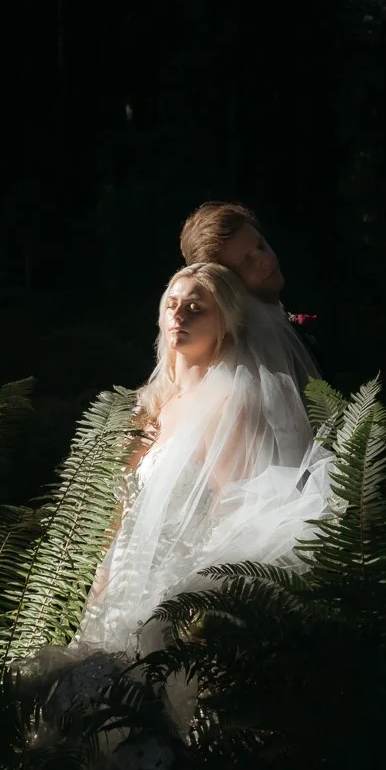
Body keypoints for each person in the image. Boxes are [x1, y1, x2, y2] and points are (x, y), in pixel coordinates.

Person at [72, 261, 333, 656]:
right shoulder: (152, 404)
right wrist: (101, 580)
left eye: (196, 308)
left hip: (174, 591)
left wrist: (197, 597)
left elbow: (238, 508)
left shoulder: (228, 402)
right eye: (172, 304)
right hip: (123, 582)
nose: (179, 315)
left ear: (225, 323)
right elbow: (125, 509)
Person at [178, 201, 320, 391]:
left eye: (261, 246)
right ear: (224, 284)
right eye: (247, 262)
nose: (266, 260)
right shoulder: (254, 354)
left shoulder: (279, 321)